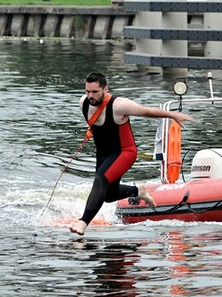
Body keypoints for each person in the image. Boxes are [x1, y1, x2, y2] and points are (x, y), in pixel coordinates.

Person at [69, 72, 193, 235]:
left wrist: (172, 115)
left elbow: (146, 111)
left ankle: (83, 222)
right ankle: (138, 191)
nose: (90, 96)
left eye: (95, 92)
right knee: (108, 194)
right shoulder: (83, 103)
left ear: (105, 89)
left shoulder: (119, 106)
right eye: (87, 91)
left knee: (100, 178)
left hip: (124, 152)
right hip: (103, 154)